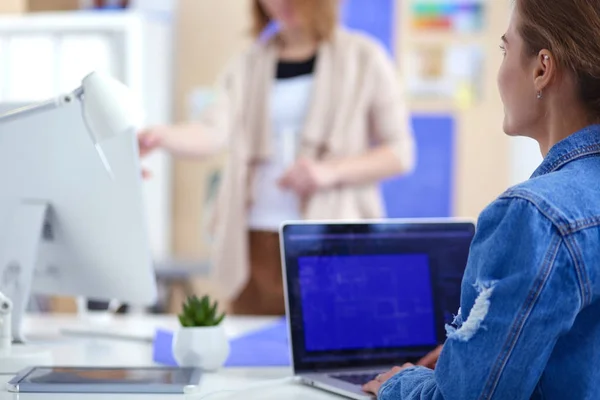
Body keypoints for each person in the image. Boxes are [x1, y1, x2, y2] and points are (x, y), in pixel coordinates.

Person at [363, 0, 600, 398]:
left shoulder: (535, 216)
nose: (500, 70)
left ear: (542, 68)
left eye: (505, 50)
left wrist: (401, 383)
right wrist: (476, 355)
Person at [139, 0, 415, 315]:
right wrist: (162, 137)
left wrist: (329, 172)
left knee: (329, 351)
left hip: (329, 242)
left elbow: (400, 152)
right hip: (254, 245)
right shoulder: (248, 64)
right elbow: (212, 131)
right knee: (252, 354)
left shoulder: (364, 58)